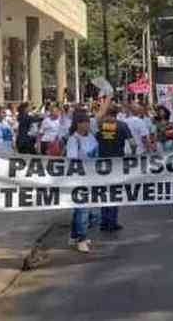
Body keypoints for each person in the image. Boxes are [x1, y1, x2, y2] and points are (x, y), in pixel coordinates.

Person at [94, 97, 136, 231]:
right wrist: (133, 154)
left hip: (101, 162)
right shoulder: (122, 125)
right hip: (117, 162)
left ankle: (104, 221)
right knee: (114, 191)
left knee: (103, 191)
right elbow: (133, 143)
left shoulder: (99, 125)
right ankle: (112, 221)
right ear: (117, 113)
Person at [66, 111, 99, 253]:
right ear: (78, 124)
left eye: (88, 122)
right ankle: (81, 239)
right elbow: (71, 159)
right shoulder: (73, 140)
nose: (87, 125)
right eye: (84, 122)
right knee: (83, 210)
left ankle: (74, 236)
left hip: (92, 177)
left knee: (79, 210)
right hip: (80, 178)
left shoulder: (91, 135)